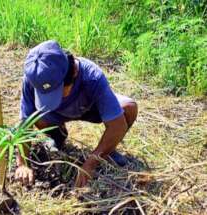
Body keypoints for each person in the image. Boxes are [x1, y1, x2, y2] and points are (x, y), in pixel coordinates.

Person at [15, 40, 138, 187]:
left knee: (129, 107)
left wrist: (92, 161)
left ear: (73, 72)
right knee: (35, 116)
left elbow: (117, 126)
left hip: (91, 109)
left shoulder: (91, 77)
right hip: (54, 114)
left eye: (58, 92)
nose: (57, 98)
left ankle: (108, 152)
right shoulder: (34, 78)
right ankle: (57, 136)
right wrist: (22, 163)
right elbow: (25, 123)